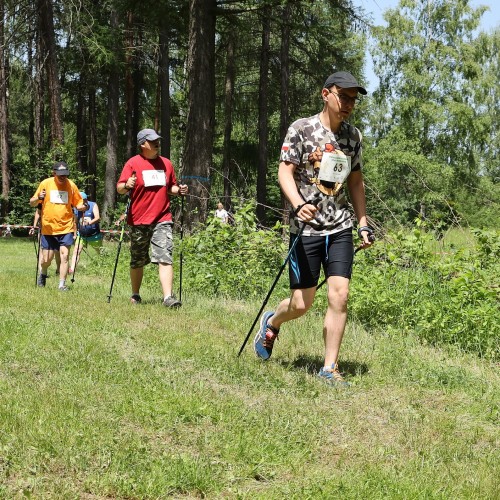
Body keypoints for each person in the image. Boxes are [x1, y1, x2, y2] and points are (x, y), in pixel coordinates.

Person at [253, 71, 374, 386]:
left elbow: (356, 181)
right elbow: (284, 171)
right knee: (301, 304)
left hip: (339, 226)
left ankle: (329, 368)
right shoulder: (302, 129)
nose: (348, 104)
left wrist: (362, 223)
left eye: (353, 99)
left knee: (340, 294)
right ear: (326, 94)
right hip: (305, 227)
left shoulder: (353, 137)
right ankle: (273, 322)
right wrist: (296, 204)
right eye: (343, 96)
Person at [116, 128, 188, 307]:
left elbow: (170, 187)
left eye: (157, 140)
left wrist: (179, 191)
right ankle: (135, 294)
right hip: (138, 219)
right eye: (152, 141)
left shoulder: (166, 164)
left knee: (165, 256)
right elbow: (120, 188)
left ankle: (168, 298)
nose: (157, 143)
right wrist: (127, 184)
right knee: (137, 259)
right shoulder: (133, 163)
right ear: (142, 144)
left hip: (162, 218)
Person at [29, 161, 88, 291]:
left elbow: (78, 204)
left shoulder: (71, 185)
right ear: (54, 173)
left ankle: (62, 284)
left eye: (65, 174)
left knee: (64, 256)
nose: (63, 177)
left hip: (66, 227)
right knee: (46, 260)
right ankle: (43, 273)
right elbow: (32, 203)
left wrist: (84, 206)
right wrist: (38, 197)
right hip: (48, 227)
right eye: (60, 174)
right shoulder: (45, 184)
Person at [69, 192, 103, 273]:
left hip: (94, 235)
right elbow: (75, 222)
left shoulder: (93, 205)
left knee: (100, 252)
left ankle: (103, 266)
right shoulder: (76, 208)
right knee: (76, 251)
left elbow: (98, 218)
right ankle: (72, 269)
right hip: (81, 235)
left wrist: (89, 223)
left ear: (86, 201)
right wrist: (74, 234)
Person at [30, 204, 61, 275]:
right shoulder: (43, 200)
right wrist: (34, 226)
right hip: (44, 229)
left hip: (58, 230)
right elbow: (38, 212)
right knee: (42, 250)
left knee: (57, 251)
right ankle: (42, 272)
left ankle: (59, 269)